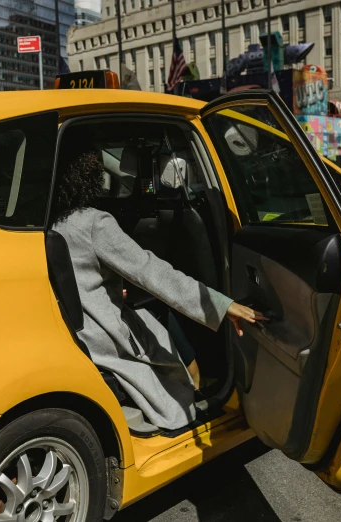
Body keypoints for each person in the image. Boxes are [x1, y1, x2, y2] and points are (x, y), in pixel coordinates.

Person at [51, 148, 266, 430]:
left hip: (68, 327)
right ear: (86, 176)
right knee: (161, 325)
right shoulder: (92, 223)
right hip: (102, 333)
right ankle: (192, 399)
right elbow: (151, 272)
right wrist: (222, 305)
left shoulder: (41, 223)